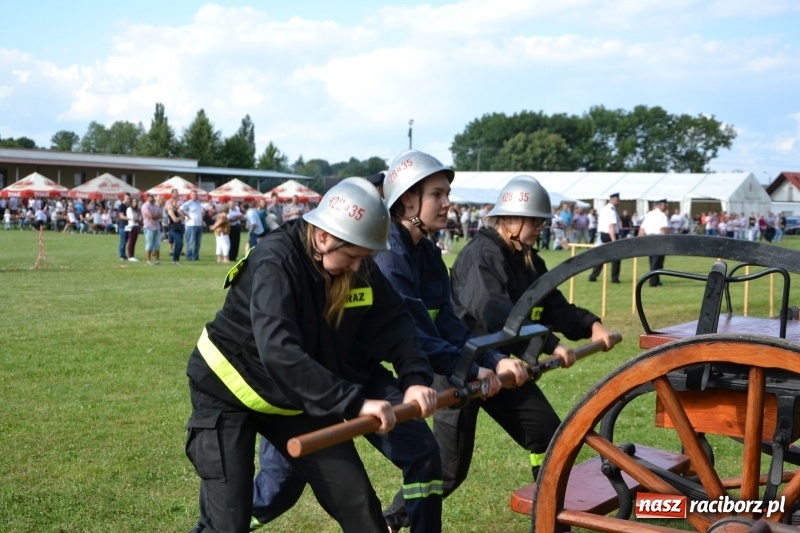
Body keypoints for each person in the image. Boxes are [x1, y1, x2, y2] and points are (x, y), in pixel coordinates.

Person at [185, 178, 442, 533]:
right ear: (323, 237)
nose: (359, 268)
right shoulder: (276, 261)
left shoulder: (352, 257)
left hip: (292, 400)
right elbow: (280, 353)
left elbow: (395, 322)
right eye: (353, 257)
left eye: (364, 257)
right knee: (227, 523)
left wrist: (414, 378)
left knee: (359, 505)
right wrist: (355, 403)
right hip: (227, 393)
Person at [375, 150, 521, 532]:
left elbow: (449, 322)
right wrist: (471, 368)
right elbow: (413, 331)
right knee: (276, 491)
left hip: (375, 370)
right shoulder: (388, 255)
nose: (447, 203)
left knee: (426, 458)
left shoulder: (426, 252)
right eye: (437, 194)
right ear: (408, 200)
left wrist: (491, 359)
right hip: (332, 372)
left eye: (447, 194)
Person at [447, 175, 616, 501]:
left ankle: (547, 507)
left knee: (547, 433)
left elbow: (553, 305)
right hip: (463, 367)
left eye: (543, 221)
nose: (541, 228)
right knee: (447, 470)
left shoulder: (528, 259)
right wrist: (550, 345)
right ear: (511, 220)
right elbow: (496, 315)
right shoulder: (482, 256)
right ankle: (393, 519)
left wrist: (592, 325)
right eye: (535, 221)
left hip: (505, 367)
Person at [587, 192, 621, 283]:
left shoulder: (604, 208)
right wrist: (614, 240)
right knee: (616, 256)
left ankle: (593, 276)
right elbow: (611, 226)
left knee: (602, 256)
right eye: (618, 200)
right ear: (614, 200)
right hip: (610, 235)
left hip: (603, 234)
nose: (619, 202)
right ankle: (615, 278)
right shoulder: (611, 210)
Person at [638, 199, 669, 286]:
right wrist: (666, 241)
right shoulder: (662, 215)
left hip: (649, 238)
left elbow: (642, 228)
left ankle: (656, 279)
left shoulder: (649, 214)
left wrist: (639, 240)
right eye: (665, 205)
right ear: (660, 205)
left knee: (652, 260)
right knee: (657, 261)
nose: (666, 207)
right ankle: (653, 281)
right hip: (658, 238)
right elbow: (662, 229)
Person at [181, 190, 204, 261]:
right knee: (190, 242)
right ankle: (189, 256)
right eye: (193, 195)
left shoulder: (198, 203)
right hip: (191, 225)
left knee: (198, 243)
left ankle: (195, 256)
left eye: (196, 195)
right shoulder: (188, 203)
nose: (195, 196)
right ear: (190, 195)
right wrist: (187, 216)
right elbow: (180, 210)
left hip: (199, 225)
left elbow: (201, 212)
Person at [141, 192, 163, 265]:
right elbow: (151, 216)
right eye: (151, 197)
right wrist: (156, 216)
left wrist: (154, 216)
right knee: (149, 244)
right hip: (148, 227)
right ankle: (148, 260)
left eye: (153, 197)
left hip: (157, 227)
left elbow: (161, 215)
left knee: (157, 244)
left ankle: (157, 260)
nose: (153, 198)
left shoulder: (156, 206)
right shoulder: (145, 206)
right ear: (147, 197)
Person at [166, 198, 185, 265]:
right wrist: (180, 218)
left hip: (179, 228)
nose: (177, 203)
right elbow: (175, 220)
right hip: (173, 229)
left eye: (177, 202)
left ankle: (176, 260)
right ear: (171, 203)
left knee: (178, 244)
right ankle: (175, 259)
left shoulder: (176, 210)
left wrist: (181, 215)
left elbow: (182, 216)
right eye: (175, 202)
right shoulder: (170, 210)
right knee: (179, 242)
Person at [125, 198, 141, 262]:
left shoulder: (136, 210)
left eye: (136, 202)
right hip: (131, 226)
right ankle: (130, 256)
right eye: (133, 202)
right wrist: (137, 219)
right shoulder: (129, 209)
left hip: (136, 226)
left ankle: (132, 255)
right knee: (131, 241)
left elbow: (140, 218)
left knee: (134, 241)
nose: (135, 203)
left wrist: (137, 219)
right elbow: (132, 218)